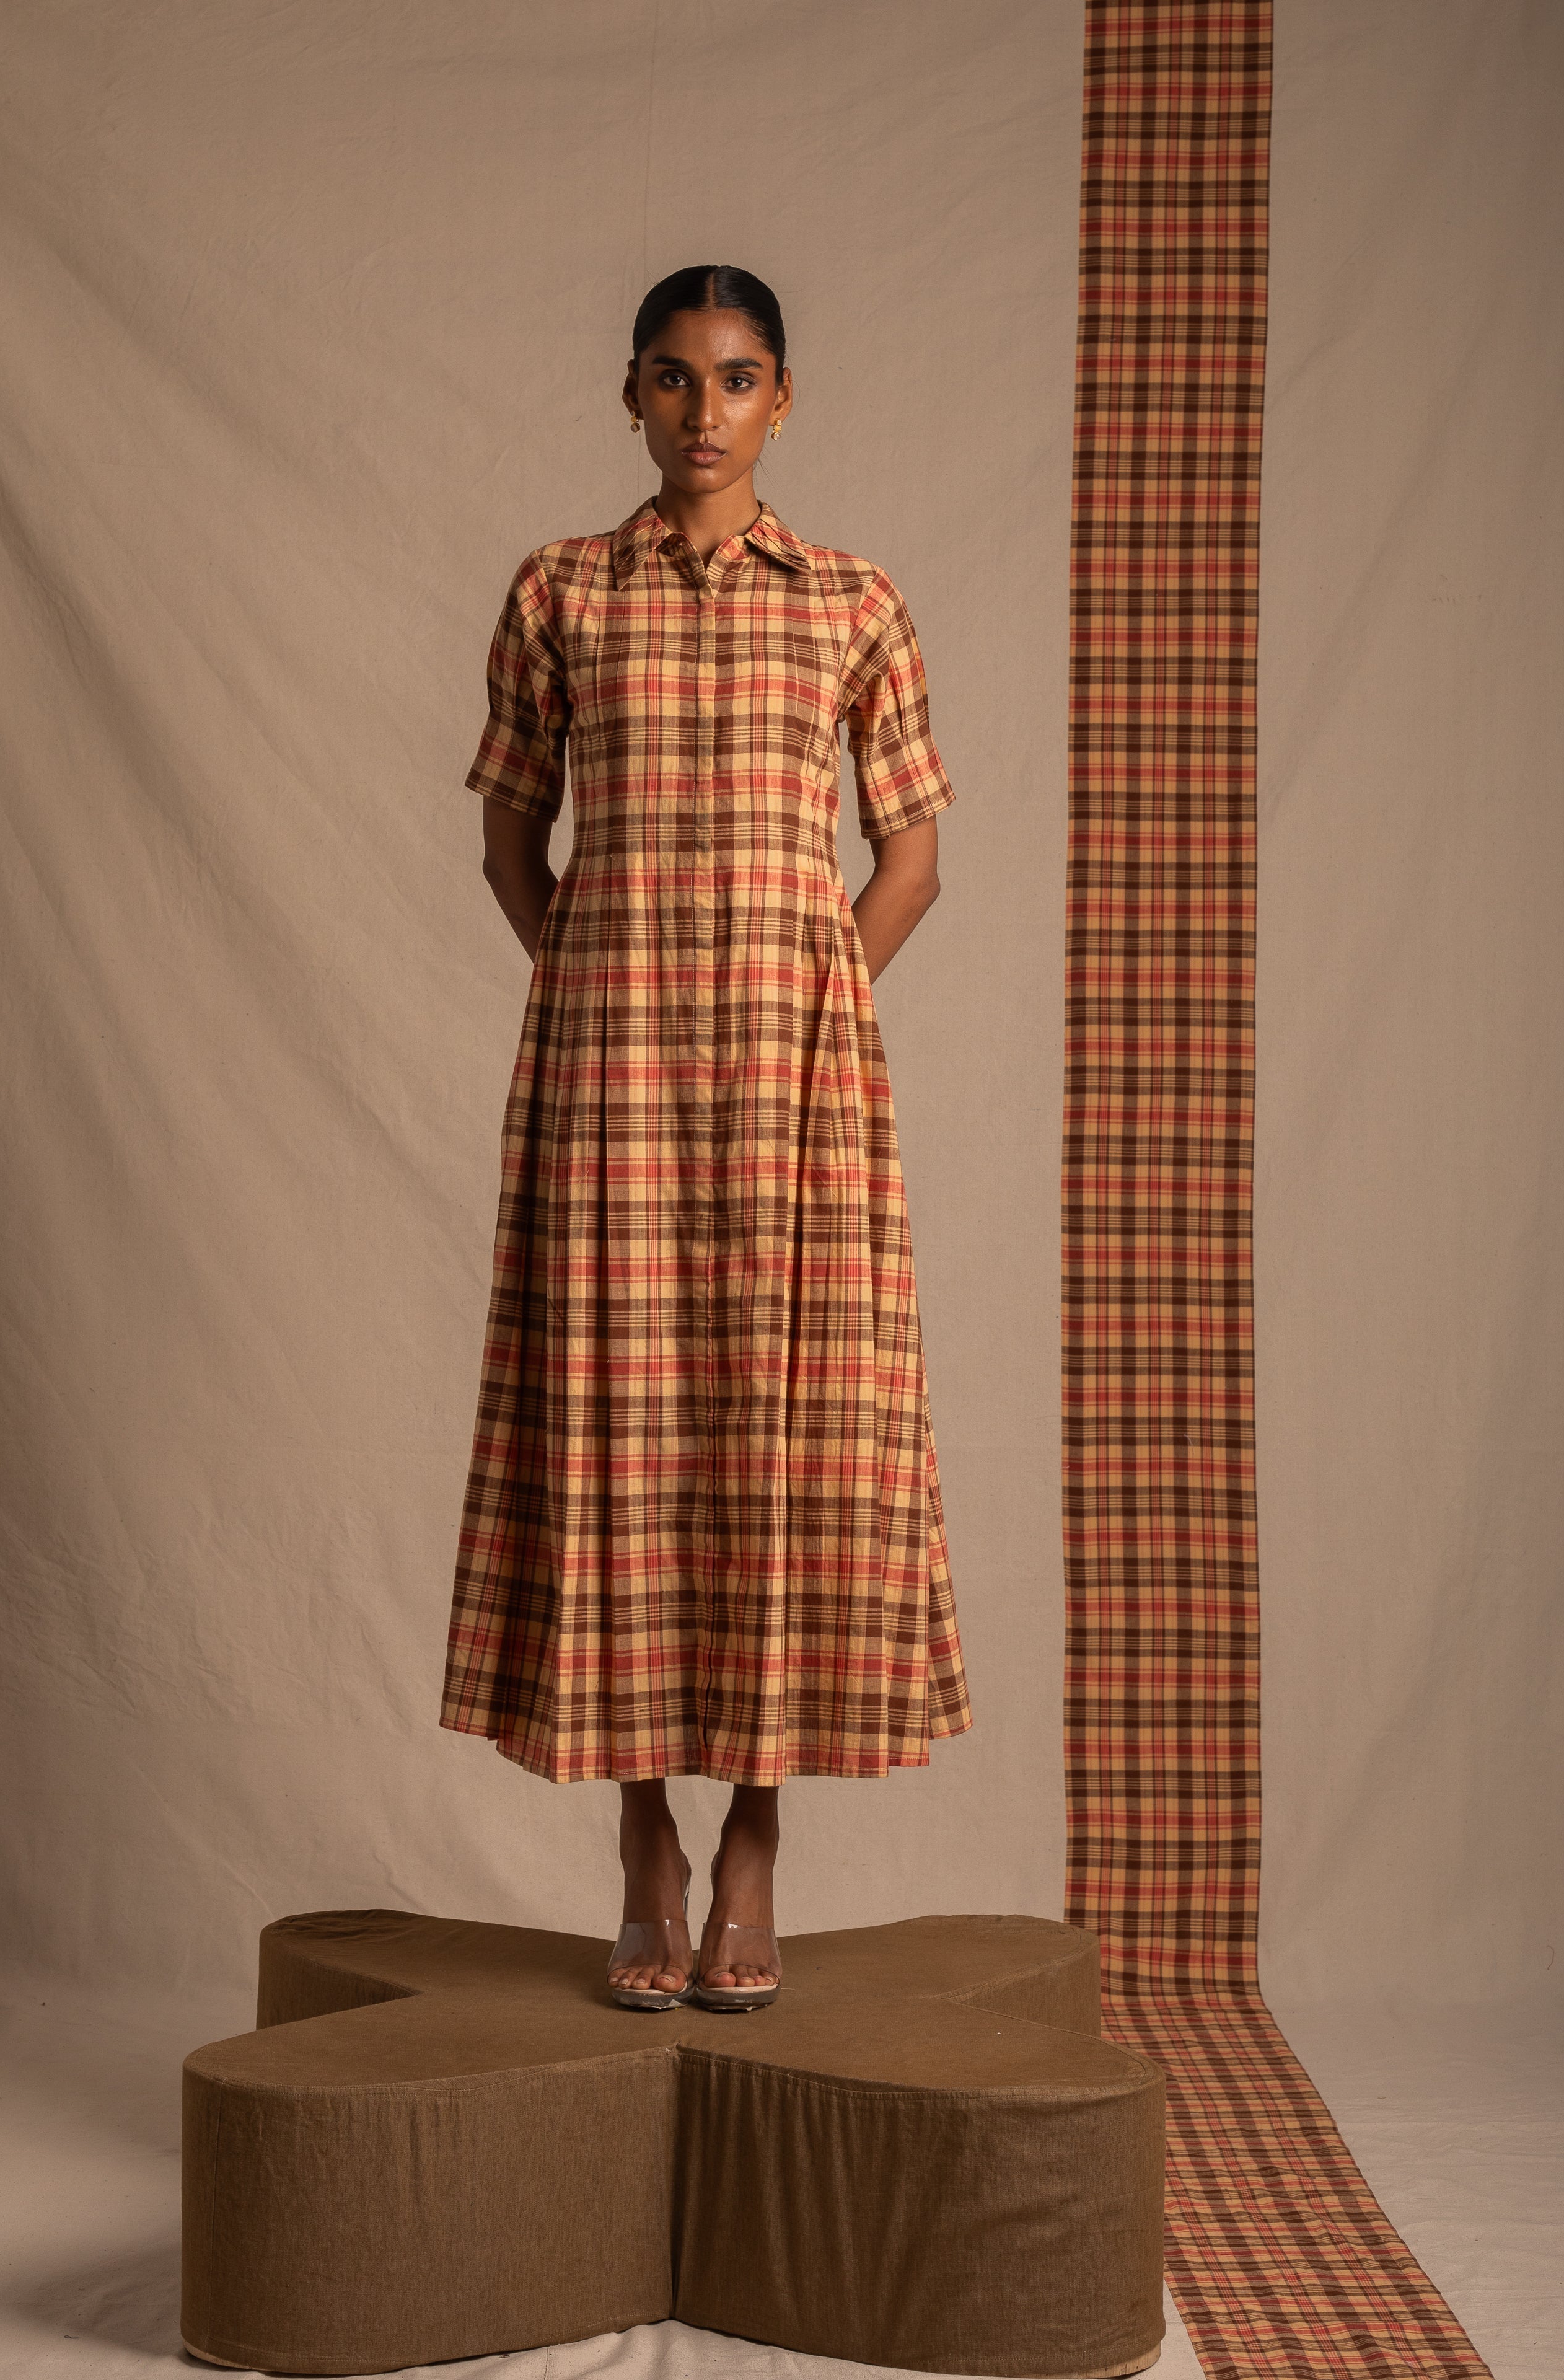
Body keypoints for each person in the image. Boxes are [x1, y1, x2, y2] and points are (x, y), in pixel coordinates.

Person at [440, 265, 971, 2013]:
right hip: (611, 1087)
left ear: (783, 400)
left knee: (781, 1452)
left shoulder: (851, 602)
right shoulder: (564, 592)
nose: (703, 414)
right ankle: (640, 1836)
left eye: (736, 381)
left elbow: (911, 853)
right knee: (616, 1441)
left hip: (793, 1095)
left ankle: (754, 1835)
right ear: (631, 397)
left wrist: (820, 995)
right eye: (672, 381)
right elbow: (516, 835)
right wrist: (594, 980)